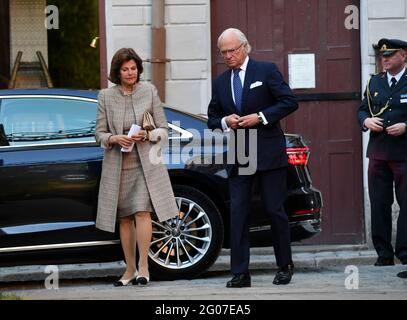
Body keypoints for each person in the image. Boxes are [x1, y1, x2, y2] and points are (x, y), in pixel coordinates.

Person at [207, 28, 298, 287]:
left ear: (245, 47)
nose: (228, 56)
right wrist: (225, 121)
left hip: (269, 153)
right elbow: (212, 116)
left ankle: (284, 266)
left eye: (232, 50)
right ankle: (240, 273)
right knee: (239, 214)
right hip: (239, 155)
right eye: (223, 52)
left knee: (274, 209)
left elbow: (289, 102)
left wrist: (261, 117)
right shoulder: (221, 81)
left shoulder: (266, 70)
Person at [95, 48, 179, 286]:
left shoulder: (149, 91)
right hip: (118, 163)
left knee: (142, 212)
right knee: (124, 218)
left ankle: (144, 268)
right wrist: (113, 138)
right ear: (117, 72)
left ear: (138, 70)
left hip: (145, 163)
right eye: (125, 69)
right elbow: (98, 134)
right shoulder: (105, 96)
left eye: (133, 68)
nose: (130, 73)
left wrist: (147, 135)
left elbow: (164, 129)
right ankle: (129, 269)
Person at [358, 38, 407, 267]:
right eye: (381, 56)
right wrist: (366, 120)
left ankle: (404, 252)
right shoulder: (375, 82)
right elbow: (361, 110)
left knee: (406, 203)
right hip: (378, 153)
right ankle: (384, 253)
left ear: (403, 56)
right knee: (379, 203)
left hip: (403, 153)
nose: (384, 59)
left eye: (389, 55)